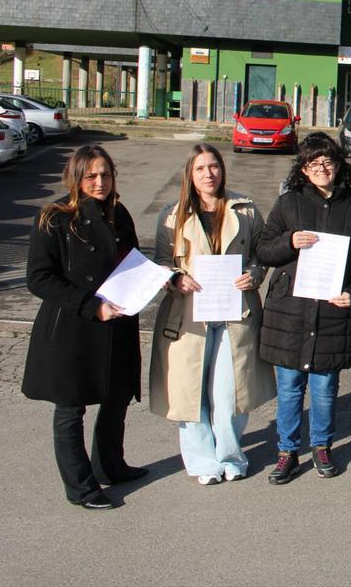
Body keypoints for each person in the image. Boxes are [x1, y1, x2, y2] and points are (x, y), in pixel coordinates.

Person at [22, 145, 150, 510]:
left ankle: (111, 464)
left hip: (117, 323)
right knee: (70, 409)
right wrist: (92, 306)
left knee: (117, 398)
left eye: (106, 175)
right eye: (91, 176)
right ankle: (80, 486)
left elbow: (132, 262)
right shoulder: (54, 217)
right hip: (74, 326)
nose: (100, 182)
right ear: (76, 176)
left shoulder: (119, 213)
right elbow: (39, 278)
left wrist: (157, 279)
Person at [256, 132, 351, 484]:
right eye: (313, 163)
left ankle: (322, 446)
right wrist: (289, 242)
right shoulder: (288, 203)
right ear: (303, 168)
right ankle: (286, 452)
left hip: (333, 312)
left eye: (328, 161)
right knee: (291, 387)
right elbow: (264, 250)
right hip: (290, 314)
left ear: (339, 164)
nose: (321, 168)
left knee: (326, 387)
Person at [149, 143, 276, 485]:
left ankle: (231, 456)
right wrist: (175, 278)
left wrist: (255, 273)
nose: (209, 174)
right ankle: (203, 462)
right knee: (190, 395)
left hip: (235, 314)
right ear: (190, 175)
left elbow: (261, 254)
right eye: (201, 168)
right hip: (189, 317)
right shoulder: (171, 215)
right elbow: (161, 262)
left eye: (214, 166)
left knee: (230, 393)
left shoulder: (246, 209)